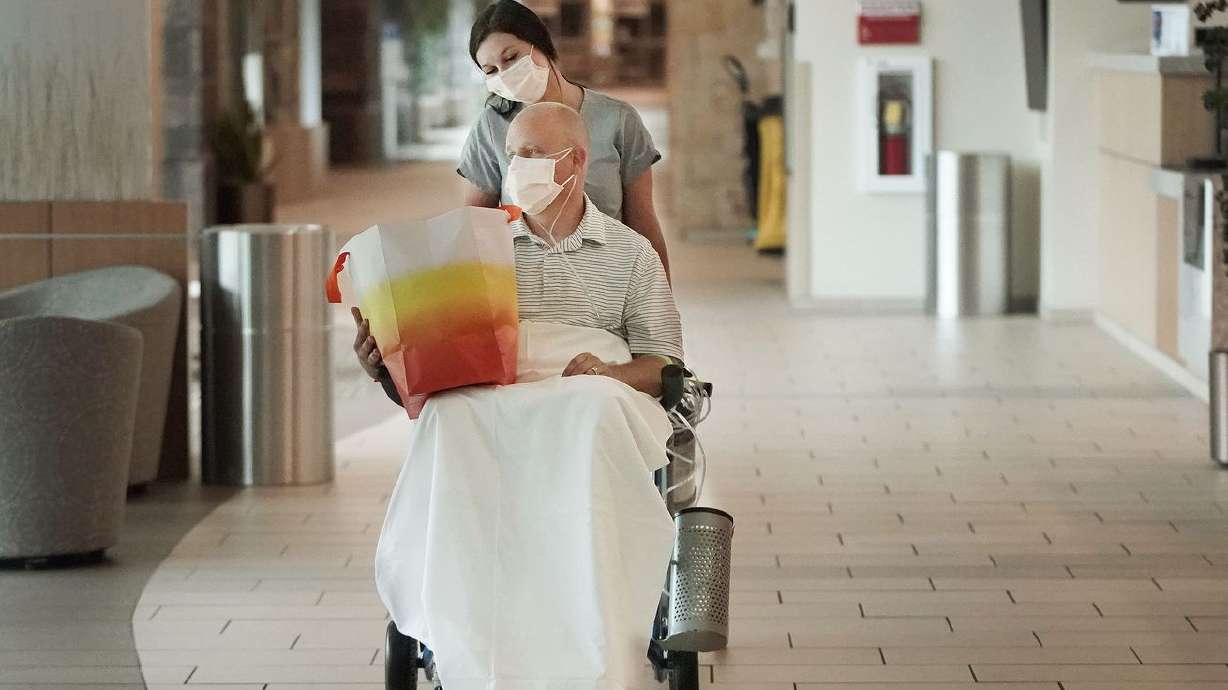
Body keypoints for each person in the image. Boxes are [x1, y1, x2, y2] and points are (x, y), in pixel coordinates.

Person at [372, 102, 683, 690]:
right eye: (514, 154)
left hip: (590, 395)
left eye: (538, 155)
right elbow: (430, 374)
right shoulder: (474, 252)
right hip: (497, 396)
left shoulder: (629, 253)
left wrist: (611, 375)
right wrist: (384, 365)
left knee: (591, 407)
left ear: (579, 161)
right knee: (448, 413)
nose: (522, 166)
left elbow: (666, 362)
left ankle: (593, 632)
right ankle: (466, 622)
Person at [459, 0, 671, 277]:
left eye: (511, 58)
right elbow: (475, 226)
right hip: (526, 290)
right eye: (491, 71)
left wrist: (662, 300)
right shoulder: (492, 126)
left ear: (541, 44)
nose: (505, 74)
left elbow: (643, 223)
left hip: (608, 285)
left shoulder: (617, 120)